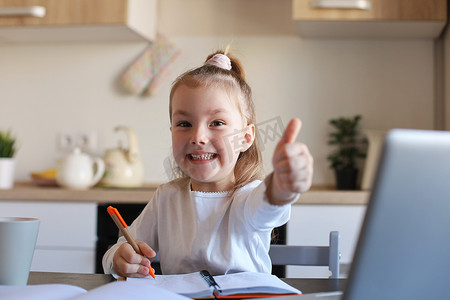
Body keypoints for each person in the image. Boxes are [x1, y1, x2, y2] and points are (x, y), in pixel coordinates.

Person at [103, 49, 313, 278]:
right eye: (184, 123)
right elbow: (119, 249)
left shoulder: (247, 197)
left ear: (246, 137)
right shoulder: (166, 198)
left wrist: (283, 184)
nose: (198, 137)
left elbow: (270, 203)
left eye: (217, 122)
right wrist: (118, 259)